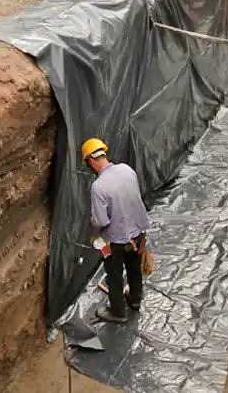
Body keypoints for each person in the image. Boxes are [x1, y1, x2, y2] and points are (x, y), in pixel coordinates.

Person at [83, 138, 150, 324]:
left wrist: (93, 220)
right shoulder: (127, 169)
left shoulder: (98, 186)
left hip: (116, 240)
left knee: (114, 275)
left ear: (90, 160)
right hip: (137, 233)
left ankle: (118, 312)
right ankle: (135, 300)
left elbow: (102, 221)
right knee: (134, 268)